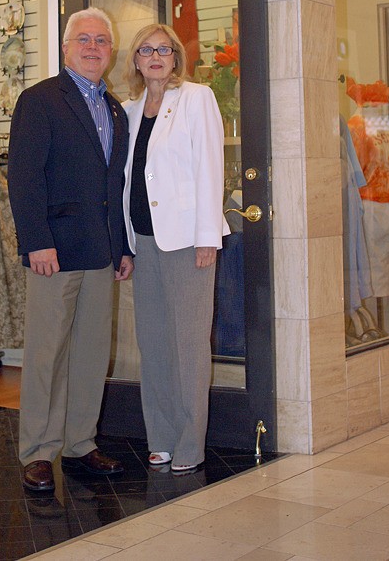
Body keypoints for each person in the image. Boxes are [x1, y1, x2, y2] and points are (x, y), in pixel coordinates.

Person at [8, 7, 134, 493]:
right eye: (83, 39)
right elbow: (24, 177)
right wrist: (36, 241)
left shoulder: (115, 109)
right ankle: (38, 450)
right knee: (46, 355)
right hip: (53, 253)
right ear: (65, 48)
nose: (92, 47)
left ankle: (81, 443)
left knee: (90, 353)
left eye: (102, 40)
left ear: (111, 51)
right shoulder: (40, 100)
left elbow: (115, 185)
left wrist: (121, 247)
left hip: (101, 252)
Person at [122, 23, 229, 473]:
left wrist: (208, 235)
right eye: (146, 49)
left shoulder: (196, 98)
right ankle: (161, 436)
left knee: (188, 345)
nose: (155, 56)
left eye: (164, 49)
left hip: (187, 242)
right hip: (142, 242)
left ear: (176, 57)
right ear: (136, 59)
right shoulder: (126, 110)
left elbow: (211, 165)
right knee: (155, 345)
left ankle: (191, 442)